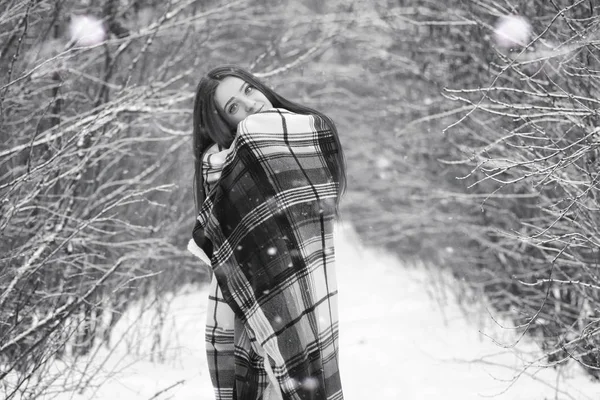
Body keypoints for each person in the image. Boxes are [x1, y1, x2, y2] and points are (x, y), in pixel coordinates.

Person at [188, 65, 346, 400]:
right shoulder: (235, 162)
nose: (249, 104)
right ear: (223, 125)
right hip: (254, 318)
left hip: (305, 298)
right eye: (233, 107)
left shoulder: (306, 134)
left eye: (248, 90)